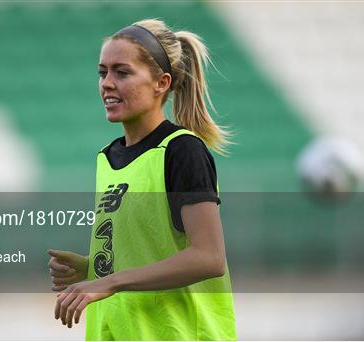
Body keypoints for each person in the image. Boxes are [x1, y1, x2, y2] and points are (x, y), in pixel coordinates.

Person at [47, 18, 236, 340]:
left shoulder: (181, 151)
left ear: (161, 83)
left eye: (122, 72)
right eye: (102, 72)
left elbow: (208, 257)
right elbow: (148, 251)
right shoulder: (107, 158)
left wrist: (110, 281)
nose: (107, 83)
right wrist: (94, 268)